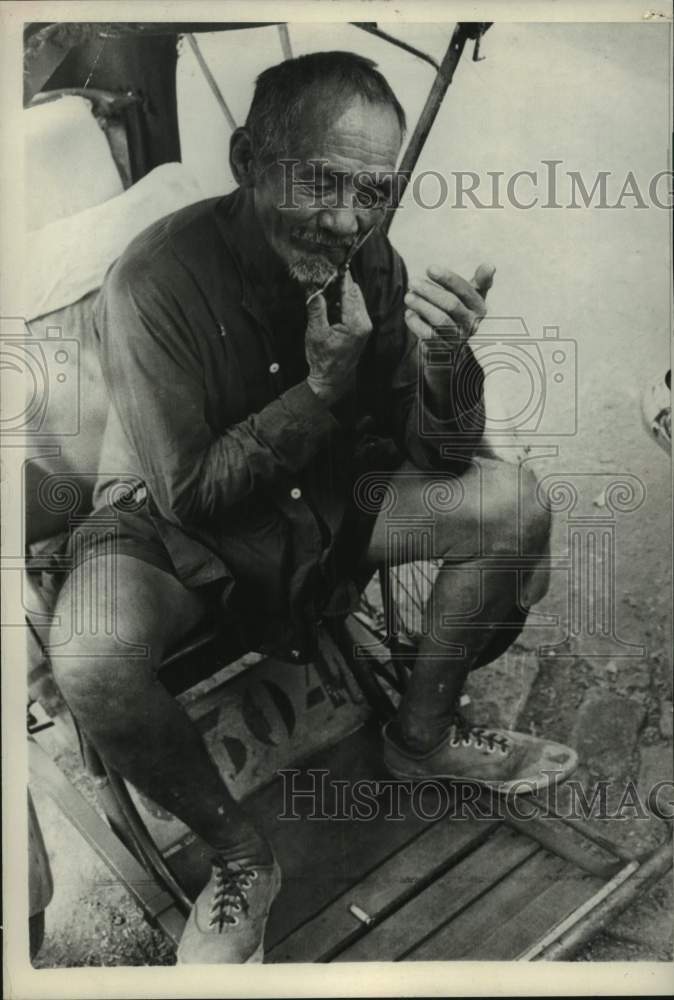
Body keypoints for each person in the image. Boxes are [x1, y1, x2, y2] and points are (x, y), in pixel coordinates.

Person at [49, 51, 576, 964]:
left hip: (328, 502)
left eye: (369, 192)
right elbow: (192, 492)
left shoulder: (371, 257)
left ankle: (420, 738)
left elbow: (439, 454)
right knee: (91, 654)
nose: (345, 220)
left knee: (513, 502)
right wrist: (324, 392)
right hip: (179, 534)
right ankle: (241, 859)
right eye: (319, 181)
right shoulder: (153, 285)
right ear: (248, 158)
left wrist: (450, 364)